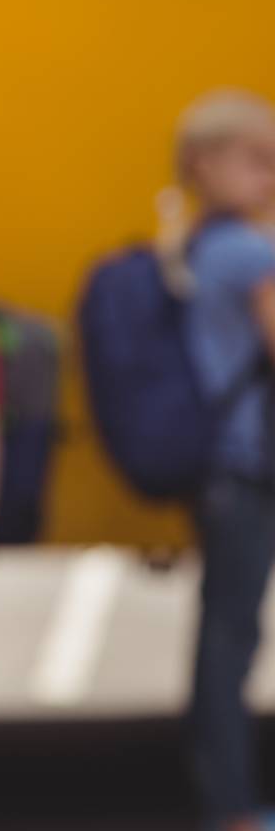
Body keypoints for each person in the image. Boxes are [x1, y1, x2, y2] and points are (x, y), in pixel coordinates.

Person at [171, 90, 275, 831]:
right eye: (258, 160)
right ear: (206, 164)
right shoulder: (249, 252)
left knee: (222, 631)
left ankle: (222, 794)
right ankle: (232, 805)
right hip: (250, 462)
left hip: (219, 465)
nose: (272, 174)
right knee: (233, 636)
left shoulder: (195, 245)